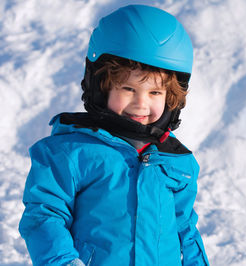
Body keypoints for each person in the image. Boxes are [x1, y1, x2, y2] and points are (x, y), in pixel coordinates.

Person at [18, 5, 209, 266]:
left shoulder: (178, 163)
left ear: (172, 99)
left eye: (155, 93)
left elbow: (185, 230)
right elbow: (44, 215)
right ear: (101, 87)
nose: (141, 104)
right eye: (128, 88)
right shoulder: (70, 152)